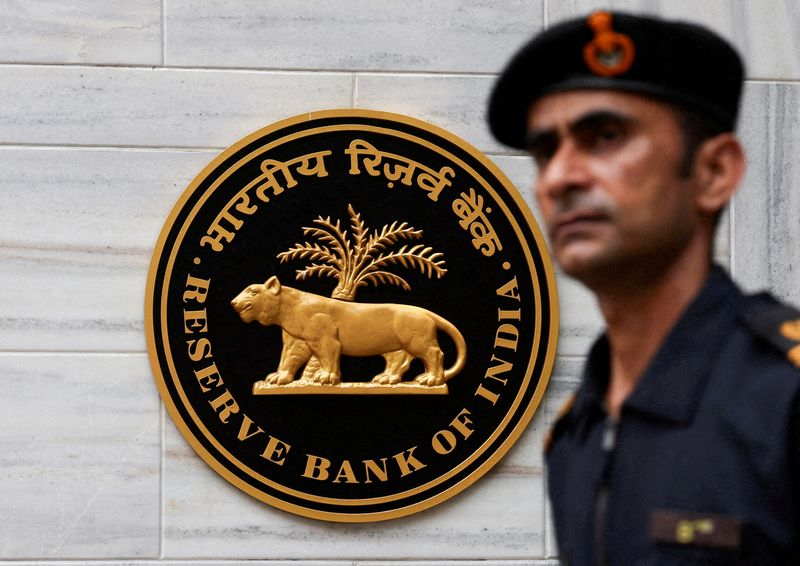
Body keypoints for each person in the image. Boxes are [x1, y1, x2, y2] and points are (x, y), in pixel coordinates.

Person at [488, 10, 800, 565]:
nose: (559, 177)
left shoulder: (783, 399)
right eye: (545, 152)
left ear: (713, 172)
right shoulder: (576, 433)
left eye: (605, 137)